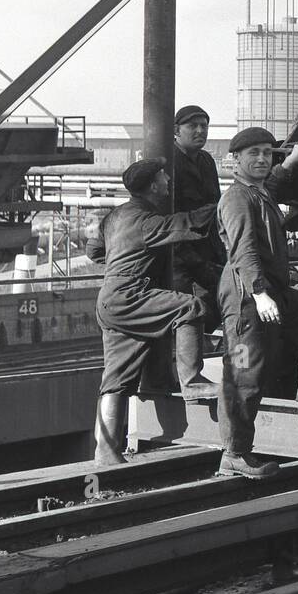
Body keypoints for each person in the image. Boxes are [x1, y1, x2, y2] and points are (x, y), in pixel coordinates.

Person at [217, 127, 298, 479]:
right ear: (236, 160)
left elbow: (272, 187)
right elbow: (243, 250)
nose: (262, 159)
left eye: (266, 152)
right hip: (247, 297)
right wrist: (260, 293)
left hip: (275, 292)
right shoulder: (236, 200)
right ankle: (234, 454)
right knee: (246, 374)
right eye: (253, 154)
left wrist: (291, 162)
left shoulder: (258, 192)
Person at [87, 158, 216, 467]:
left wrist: (122, 262)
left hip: (109, 299)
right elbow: (188, 223)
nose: (169, 180)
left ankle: (105, 453)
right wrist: (225, 204)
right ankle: (194, 382)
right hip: (131, 295)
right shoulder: (146, 221)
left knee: (115, 379)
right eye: (163, 177)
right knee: (191, 306)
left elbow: (94, 251)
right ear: (153, 186)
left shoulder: (115, 216)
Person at [171, 104, 225, 401]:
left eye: (205, 125)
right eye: (193, 126)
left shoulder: (205, 161)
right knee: (186, 310)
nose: (201, 131)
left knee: (216, 303)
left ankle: (192, 369)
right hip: (177, 253)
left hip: (204, 249)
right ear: (176, 131)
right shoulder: (171, 163)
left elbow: (214, 208)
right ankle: (188, 379)